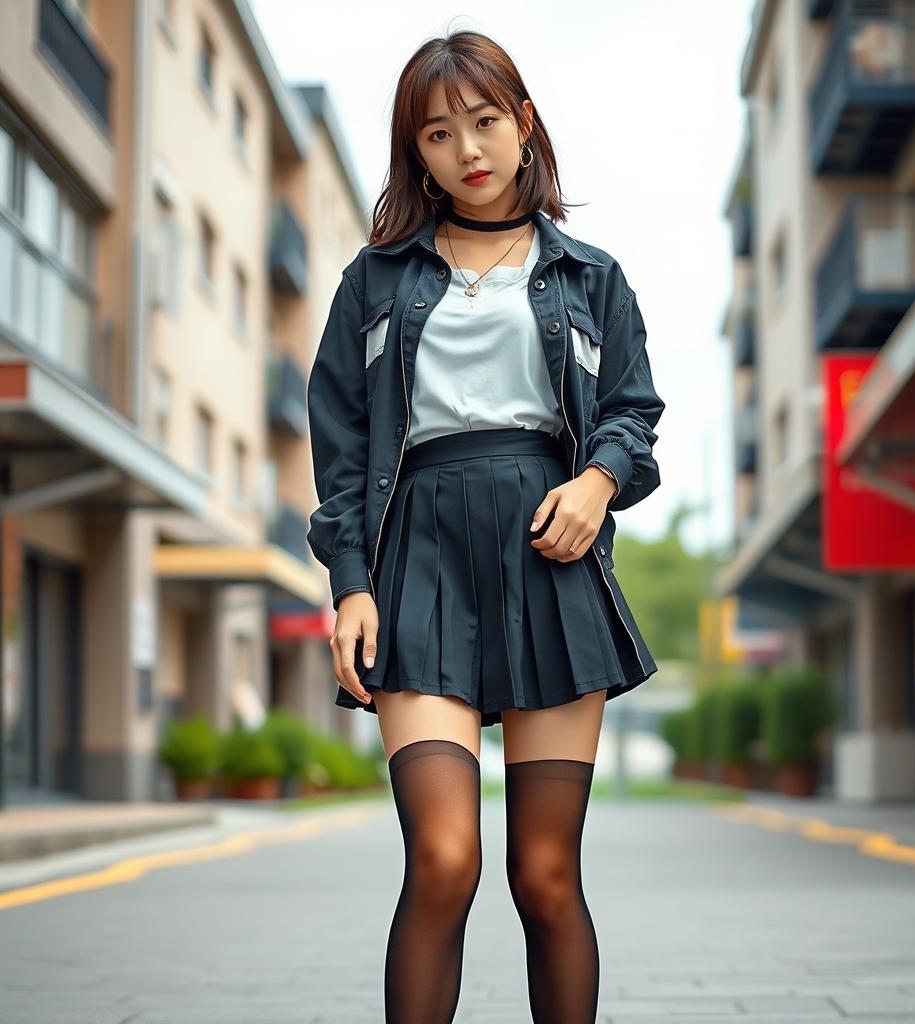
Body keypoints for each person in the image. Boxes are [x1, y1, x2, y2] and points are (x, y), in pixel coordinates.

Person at [305, 29, 665, 1024]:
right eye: (436, 132)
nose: (466, 146)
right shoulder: (374, 280)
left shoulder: (591, 276)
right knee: (443, 860)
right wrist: (351, 585)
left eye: (484, 120)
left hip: (550, 555)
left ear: (523, 123)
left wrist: (597, 481)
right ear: (413, 153)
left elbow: (633, 410)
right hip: (416, 555)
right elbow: (339, 449)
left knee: (545, 876)